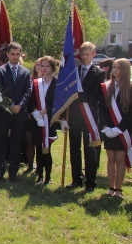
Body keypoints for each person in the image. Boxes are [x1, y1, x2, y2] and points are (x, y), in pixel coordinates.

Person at [66, 42, 105, 192]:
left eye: (87, 54)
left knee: (90, 150)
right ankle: (76, 179)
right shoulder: (74, 71)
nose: (84, 57)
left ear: (93, 54)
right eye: (82, 54)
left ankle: (90, 182)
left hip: (90, 117)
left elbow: (94, 95)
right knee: (74, 148)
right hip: (75, 116)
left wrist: (76, 95)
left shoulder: (98, 73)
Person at [0, 42, 32, 183]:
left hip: (19, 113)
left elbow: (28, 91)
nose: (15, 57)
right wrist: (11, 105)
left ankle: (13, 174)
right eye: (12, 54)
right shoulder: (0, 71)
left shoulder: (26, 72)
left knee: (16, 144)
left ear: (21, 54)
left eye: (18, 54)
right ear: (7, 54)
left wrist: (19, 105)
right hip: (4, 112)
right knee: (0, 143)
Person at [99, 58, 131, 198]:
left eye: (118, 68)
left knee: (120, 159)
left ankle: (118, 190)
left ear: (124, 70)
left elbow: (130, 113)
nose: (114, 70)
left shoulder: (130, 88)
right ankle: (111, 187)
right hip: (109, 129)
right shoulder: (107, 87)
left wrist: (119, 129)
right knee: (110, 158)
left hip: (123, 130)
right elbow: (102, 109)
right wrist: (106, 127)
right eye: (114, 68)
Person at [28, 56, 58, 185]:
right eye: (42, 66)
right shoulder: (36, 83)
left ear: (52, 68)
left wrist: (45, 111)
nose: (44, 69)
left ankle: (48, 177)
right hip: (37, 120)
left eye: (47, 66)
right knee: (39, 149)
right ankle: (39, 175)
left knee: (47, 149)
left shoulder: (57, 83)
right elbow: (32, 101)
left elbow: (58, 102)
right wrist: (35, 111)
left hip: (50, 120)